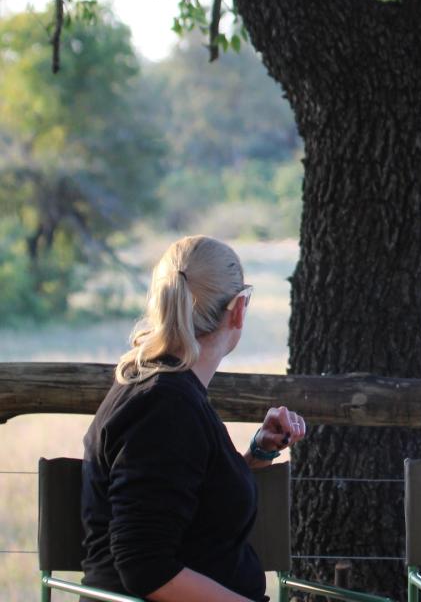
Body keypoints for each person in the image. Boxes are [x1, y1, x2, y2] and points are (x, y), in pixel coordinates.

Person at [81, 235, 307, 602]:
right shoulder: (164, 407)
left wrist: (257, 454)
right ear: (239, 309)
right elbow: (145, 568)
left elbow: (187, 500)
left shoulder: (160, 389)